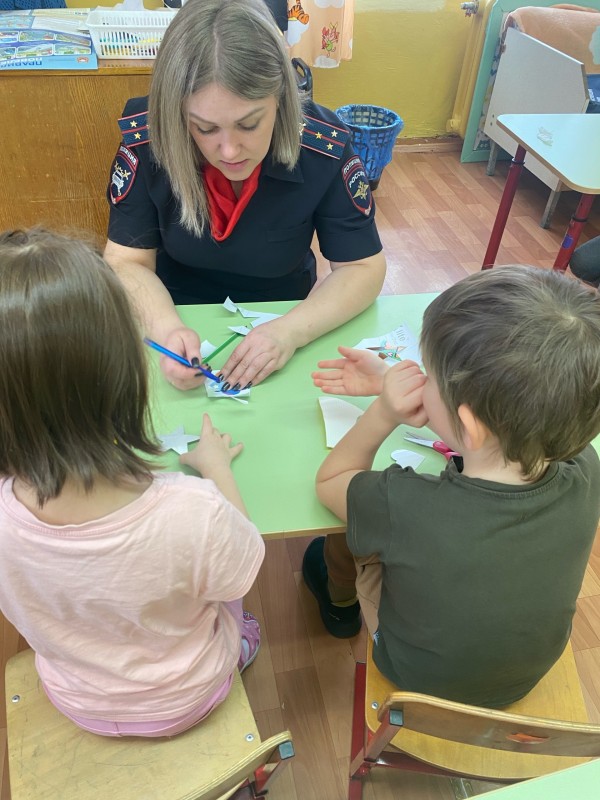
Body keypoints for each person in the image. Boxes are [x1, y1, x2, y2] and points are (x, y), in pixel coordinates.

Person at [0, 229, 264, 737]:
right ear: (126, 378)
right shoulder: (192, 510)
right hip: (188, 697)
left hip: (76, 698)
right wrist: (217, 470)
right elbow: (244, 566)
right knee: (229, 598)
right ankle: (242, 648)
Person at [304, 265, 600, 707]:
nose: (422, 382)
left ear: (469, 424)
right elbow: (499, 434)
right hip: (522, 679)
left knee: (351, 534)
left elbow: (330, 481)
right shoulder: (587, 466)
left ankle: (340, 600)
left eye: (429, 377)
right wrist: (404, 386)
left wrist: (383, 411)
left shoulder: (401, 504)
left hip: (418, 682)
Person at [104, 0, 386, 394]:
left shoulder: (323, 147)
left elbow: (362, 268)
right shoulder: (149, 140)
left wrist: (289, 332)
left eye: (249, 124)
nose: (230, 150)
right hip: (172, 306)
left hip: (285, 310)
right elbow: (125, 261)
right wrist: (165, 329)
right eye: (204, 129)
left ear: (281, 98)